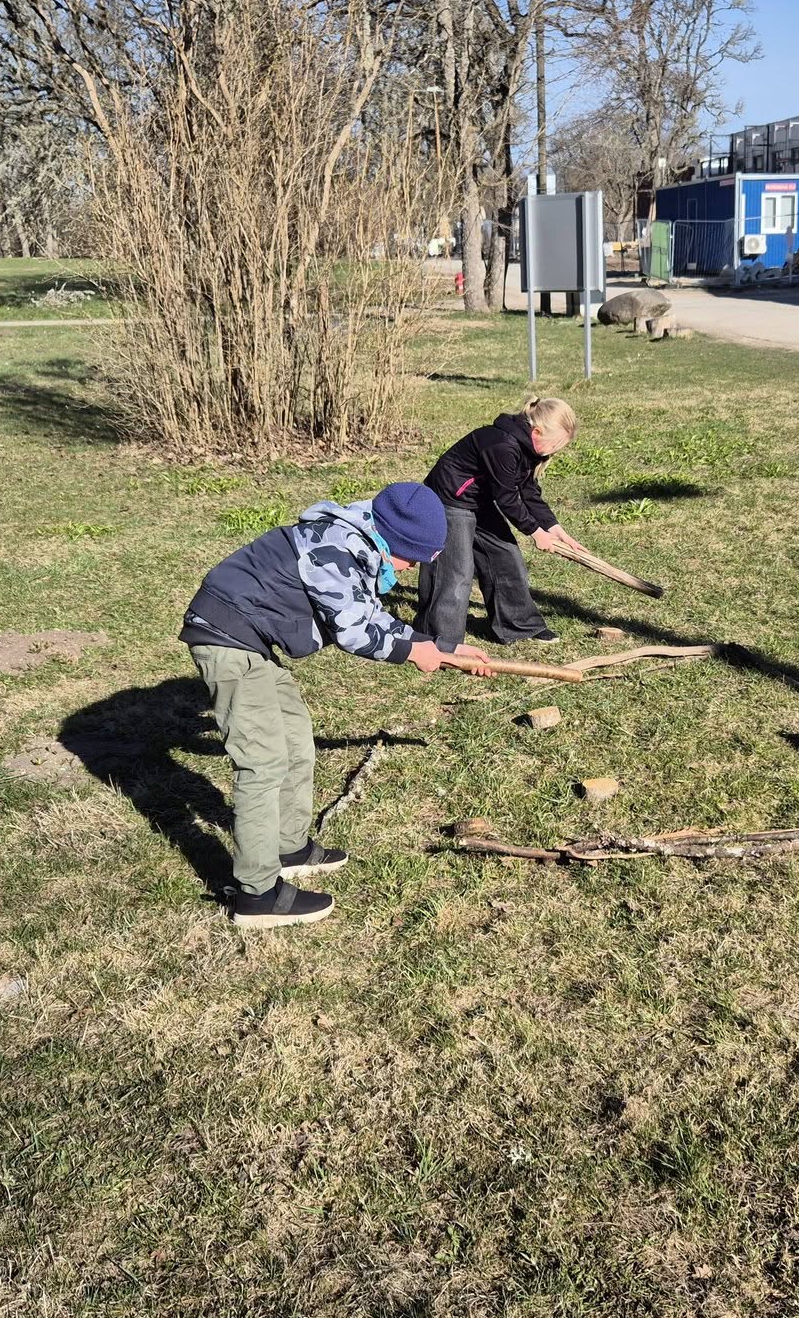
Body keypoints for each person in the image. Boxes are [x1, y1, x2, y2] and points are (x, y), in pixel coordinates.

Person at [179, 482, 489, 930]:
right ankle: (257, 894)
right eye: (411, 558)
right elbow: (354, 632)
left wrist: (441, 648)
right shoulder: (335, 548)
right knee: (262, 763)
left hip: (251, 641)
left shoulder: (358, 541)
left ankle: (288, 847)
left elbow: (368, 614)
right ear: (392, 539)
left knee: (296, 741)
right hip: (227, 640)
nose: (410, 568)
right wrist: (413, 654)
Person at [415, 397, 581, 651]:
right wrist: (536, 533)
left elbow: (528, 492)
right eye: (555, 444)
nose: (555, 451)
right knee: (456, 571)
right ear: (536, 432)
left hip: (478, 500)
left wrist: (553, 528)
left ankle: (518, 625)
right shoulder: (502, 445)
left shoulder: (529, 449)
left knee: (506, 557)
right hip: (449, 499)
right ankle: (438, 640)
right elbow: (507, 498)